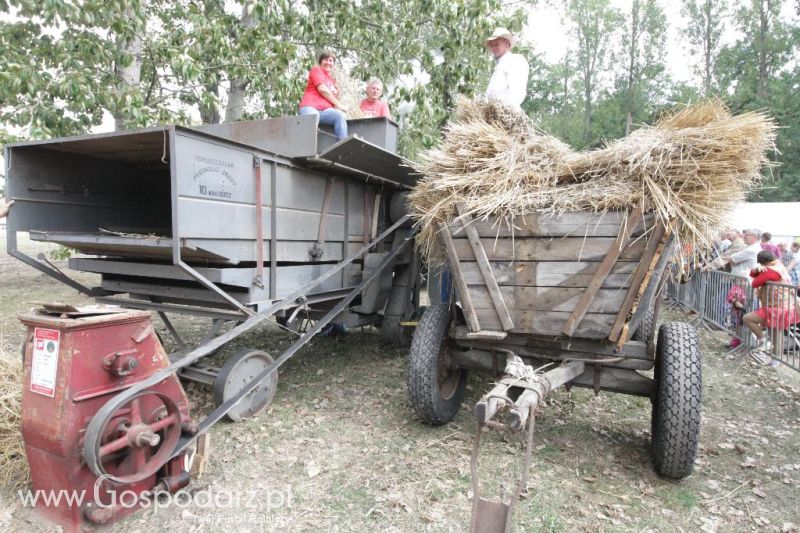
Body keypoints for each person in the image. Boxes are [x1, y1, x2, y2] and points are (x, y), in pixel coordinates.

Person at [742, 251, 798, 367]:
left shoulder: (769, 270)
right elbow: (754, 275)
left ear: (763, 262)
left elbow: (755, 283)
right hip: (783, 305)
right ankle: (775, 362)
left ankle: (763, 341)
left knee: (748, 319)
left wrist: (759, 271)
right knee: (775, 334)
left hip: (777, 307)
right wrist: (757, 270)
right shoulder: (778, 265)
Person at [298, 51, 349, 140]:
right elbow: (322, 89)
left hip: (326, 112)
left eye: (331, 60)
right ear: (321, 61)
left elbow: (332, 97)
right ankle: (309, 151)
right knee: (313, 118)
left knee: (340, 116)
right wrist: (339, 104)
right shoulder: (316, 70)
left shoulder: (332, 80)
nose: (328, 63)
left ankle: (343, 145)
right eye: (326, 60)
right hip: (311, 107)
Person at [484, 27, 529, 109]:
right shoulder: (498, 68)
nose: (493, 48)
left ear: (507, 44)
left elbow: (517, 92)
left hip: (505, 115)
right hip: (491, 116)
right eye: (492, 45)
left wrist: (503, 112)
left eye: (497, 44)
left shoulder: (515, 60)